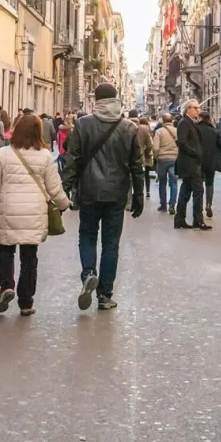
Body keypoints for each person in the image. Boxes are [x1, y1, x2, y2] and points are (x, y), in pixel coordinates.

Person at [0, 113, 70, 316]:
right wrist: (64, 204)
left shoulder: (3, 154)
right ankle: (26, 302)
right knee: (29, 257)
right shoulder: (45, 156)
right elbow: (55, 188)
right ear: (38, 132)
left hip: (8, 210)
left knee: (5, 251)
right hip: (34, 213)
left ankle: (6, 286)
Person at [62, 83, 145, 310]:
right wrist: (139, 195)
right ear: (116, 99)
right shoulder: (128, 127)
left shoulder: (83, 123)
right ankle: (105, 295)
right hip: (117, 193)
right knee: (111, 244)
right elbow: (137, 166)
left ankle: (89, 272)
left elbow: (73, 158)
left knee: (87, 235)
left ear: (96, 100)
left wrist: (65, 188)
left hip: (89, 190)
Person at [175, 101, 209, 229]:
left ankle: (180, 219)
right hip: (190, 163)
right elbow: (182, 142)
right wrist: (195, 153)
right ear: (187, 109)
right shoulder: (184, 123)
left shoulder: (190, 123)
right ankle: (198, 220)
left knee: (185, 191)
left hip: (191, 163)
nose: (198, 111)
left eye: (198, 108)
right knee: (198, 191)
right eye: (195, 108)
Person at [152, 113, 179, 212]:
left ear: (163, 121)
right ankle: (172, 205)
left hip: (162, 159)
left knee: (162, 182)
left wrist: (155, 157)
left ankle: (163, 205)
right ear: (172, 120)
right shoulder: (177, 131)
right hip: (174, 158)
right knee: (174, 183)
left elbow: (155, 147)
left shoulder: (159, 131)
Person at [199, 110, 221, 220]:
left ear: (200, 118)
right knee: (210, 183)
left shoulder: (195, 130)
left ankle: (198, 206)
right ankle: (208, 204)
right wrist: (216, 155)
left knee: (198, 184)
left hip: (198, 160)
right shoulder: (214, 131)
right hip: (210, 161)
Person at [134, 116, 156, 203]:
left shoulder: (135, 128)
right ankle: (147, 191)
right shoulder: (147, 130)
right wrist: (147, 151)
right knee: (147, 174)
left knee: (139, 175)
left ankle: (138, 192)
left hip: (136, 154)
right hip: (145, 155)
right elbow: (150, 144)